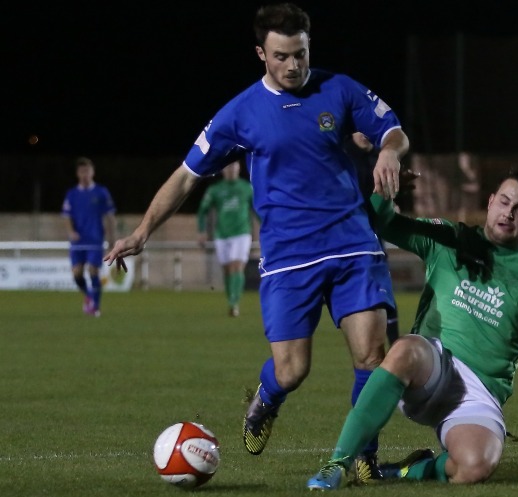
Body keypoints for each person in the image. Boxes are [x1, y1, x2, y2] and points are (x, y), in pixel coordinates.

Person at [104, 2, 408, 480]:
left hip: (353, 245)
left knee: (372, 355)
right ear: (261, 54)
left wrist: (388, 151)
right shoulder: (240, 112)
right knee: (292, 371)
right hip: (289, 258)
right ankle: (265, 401)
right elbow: (187, 176)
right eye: (282, 56)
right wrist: (142, 231)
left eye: (301, 55)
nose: (293, 66)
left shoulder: (340, 88)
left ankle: (363, 458)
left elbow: (392, 130)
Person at [307, 169, 518, 490]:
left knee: (475, 466)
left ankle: (405, 471)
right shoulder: (451, 238)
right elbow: (381, 222)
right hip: (431, 367)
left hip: (479, 393)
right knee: (406, 348)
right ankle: (337, 463)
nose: (509, 213)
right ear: (491, 202)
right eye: (504, 202)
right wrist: (385, 191)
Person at [344, 132, 400, 345]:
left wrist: (393, 201)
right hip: (345, 236)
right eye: (359, 129)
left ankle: (394, 343)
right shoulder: (342, 154)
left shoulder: (381, 156)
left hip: (372, 235)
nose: (365, 134)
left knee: (382, 289)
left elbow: (384, 191)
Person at [196, 159, 256, 317]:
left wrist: (268, 227)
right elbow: (203, 210)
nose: (231, 169)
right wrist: (201, 231)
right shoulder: (215, 190)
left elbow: (257, 209)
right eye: (228, 166)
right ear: (222, 170)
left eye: (234, 166)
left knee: (237, 266)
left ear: (239, 168)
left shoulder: (246, 188)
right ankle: (231, 298)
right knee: (227, 269)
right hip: (221, 234)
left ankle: (234, 303)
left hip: (242, 232)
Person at [62, 156, 116, 317]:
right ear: (78, 174)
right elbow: (66, 216)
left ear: (92, 172)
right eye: (81, 171)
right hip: (78, 240)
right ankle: (89, 296)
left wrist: (112, 237)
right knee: (77, 273)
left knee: (93, 271)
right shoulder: (71, 194)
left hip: (95, 238)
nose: (85, 174)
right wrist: (71, 232)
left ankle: (96, 307)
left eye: (87, 171)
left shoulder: (101, 192)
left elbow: (110, 215)